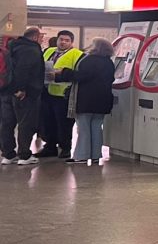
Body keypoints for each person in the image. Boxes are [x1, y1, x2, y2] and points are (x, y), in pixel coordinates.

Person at [57, 38, 116, 165]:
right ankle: (95, 155)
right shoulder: (109, 62)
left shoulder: (89, 60)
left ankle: (82, 156)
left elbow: (80, 76)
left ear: (96, 47)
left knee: (83, 128)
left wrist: (64, 72)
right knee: (96, 127)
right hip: (103, 100)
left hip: (85, 99)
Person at [1, 28, 47, 165]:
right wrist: (20, 89)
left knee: (7, 123)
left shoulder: (10, 47)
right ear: (35, 37)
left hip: (5, 91)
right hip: (24, 93)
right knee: (26, 123)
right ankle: (24, 155)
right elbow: (23, 69)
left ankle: (8, 154)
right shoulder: (30, 49)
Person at [38, 30, 84, 158]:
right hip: (46, 92)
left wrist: (62, 73)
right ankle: (50, 146)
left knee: (63, 124)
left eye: (67, 40)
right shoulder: (48, 51)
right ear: (57, 40)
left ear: (71, 42)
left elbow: (78, 74)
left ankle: (65, 148)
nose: (63, 42)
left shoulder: (77, 54)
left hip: (63, 95)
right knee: (47, 122)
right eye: (61, 39)